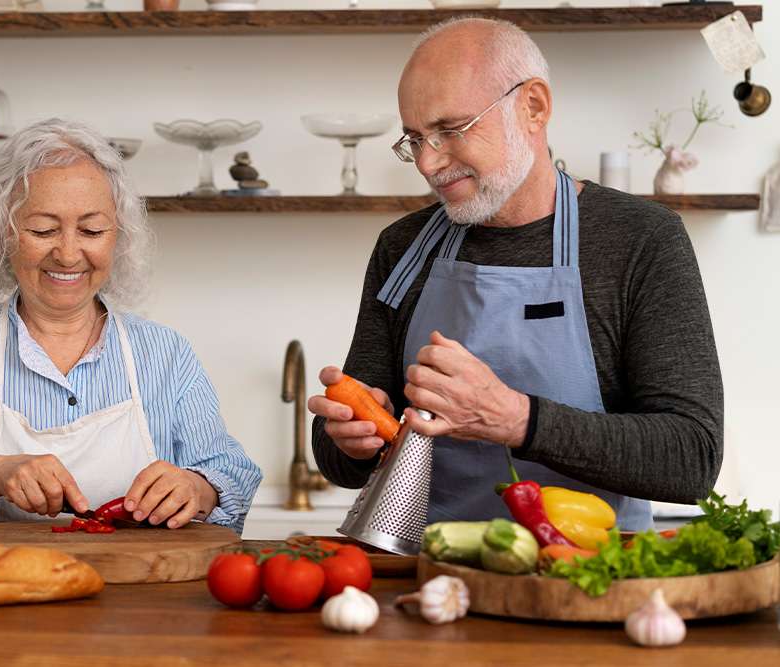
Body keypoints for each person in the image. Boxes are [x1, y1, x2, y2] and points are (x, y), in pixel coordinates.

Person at [308, 18, 723, 529]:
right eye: (415, 139)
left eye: (451, 130)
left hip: (588, 579)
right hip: (427, 573)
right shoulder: (402, 247)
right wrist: (349, 437)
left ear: (533, 107)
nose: (428, 163)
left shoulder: (641, 240)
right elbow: (341, 464)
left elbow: (692, 459)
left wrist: (516, 420)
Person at [0, 118, 261, 535]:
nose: (69, 254)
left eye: (91, 230)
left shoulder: (165, 354)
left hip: (138, 591)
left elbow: (230, 475)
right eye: (43, 230)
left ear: (118, 236)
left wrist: (198, 489)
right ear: (5, 233)